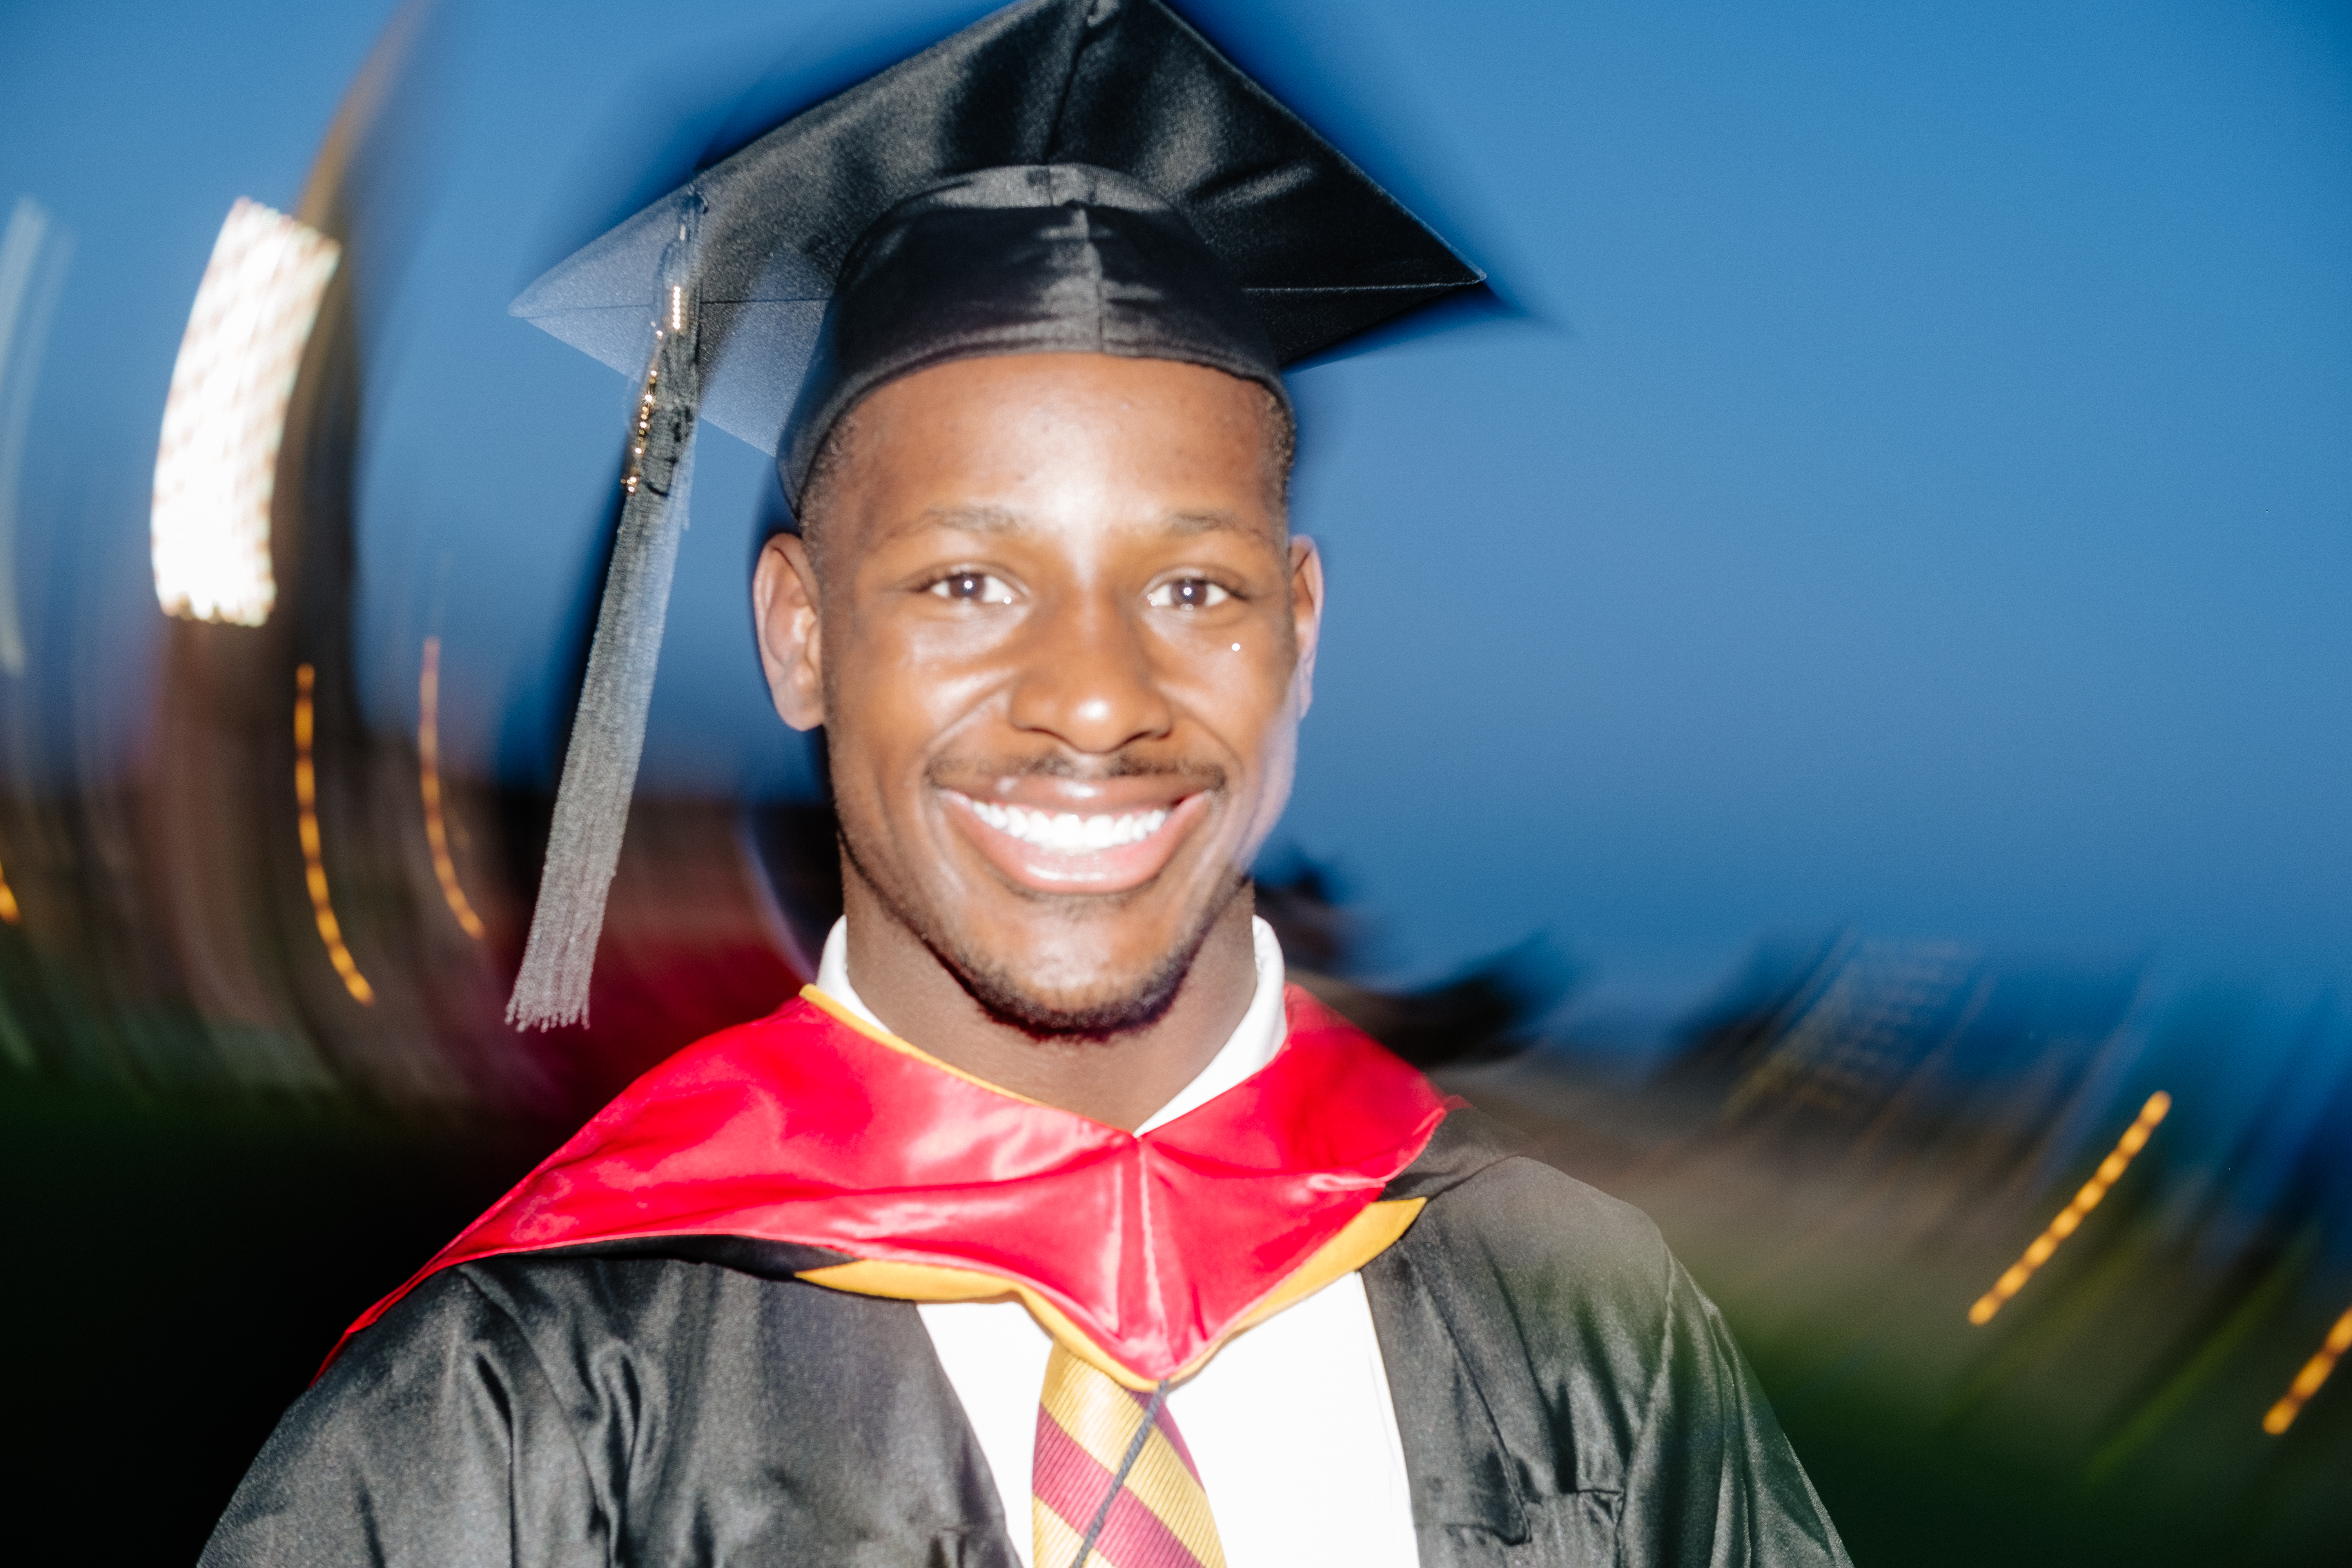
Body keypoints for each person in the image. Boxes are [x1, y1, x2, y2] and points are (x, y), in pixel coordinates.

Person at [201, 2, 1849, 1564]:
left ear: (1303, 630)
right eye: (967, 584)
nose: (1092, 697)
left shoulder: (1590, 1331)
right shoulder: (519, 1398)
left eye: (1194, 588)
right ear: (799, 636)